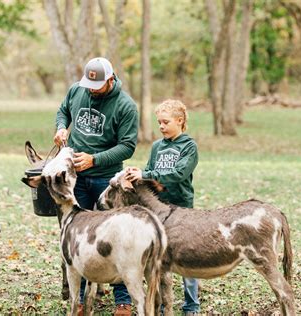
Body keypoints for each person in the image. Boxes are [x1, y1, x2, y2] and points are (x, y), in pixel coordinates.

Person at [53, 57, 138, 316]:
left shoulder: (126, 106)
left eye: (97, 85)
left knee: (115, 238)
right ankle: (78, 297)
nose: (91, 89)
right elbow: (63, 110)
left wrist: (95, 159)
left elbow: (128, 145)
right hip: (75, 179)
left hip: (106, 179)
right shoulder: (78, 90)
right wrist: (61, 128)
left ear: (110, 80)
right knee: (75, 237)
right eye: (89, 84)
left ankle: (122, 299)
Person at [125, 99, 200, 315]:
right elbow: (149, 171)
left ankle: (191, 305)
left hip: (182, 209)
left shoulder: (189, 146)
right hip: (158, 210)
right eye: (159, 122)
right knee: (157, 258)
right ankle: (157, 304)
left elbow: (179, 174)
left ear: (180, 121)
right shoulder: (157, 146)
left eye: (166, 122)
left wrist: (147, 174)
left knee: (186, 257)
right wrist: (136, 174)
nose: (161, 126)